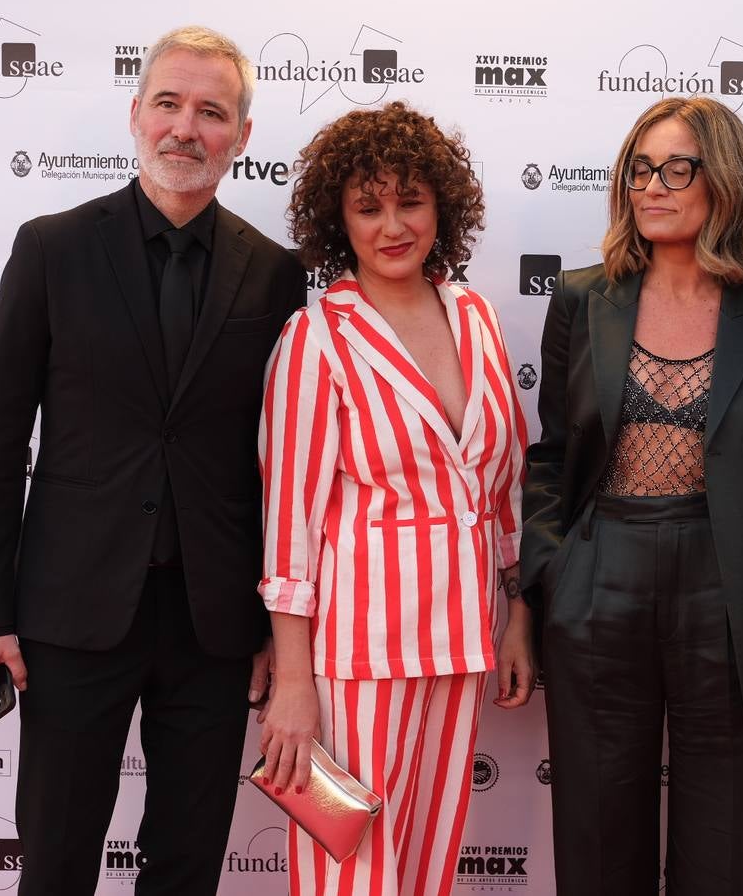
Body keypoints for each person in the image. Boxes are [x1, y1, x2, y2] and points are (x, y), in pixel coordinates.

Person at [0, 26, 307, 896]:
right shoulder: (53, 248)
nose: (186, 128)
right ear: (137, 113)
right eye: (169, 104)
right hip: (70, 613)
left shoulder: (275, 275)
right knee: (57, 861)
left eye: (211, 112)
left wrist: (271, 628)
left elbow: (279, 463)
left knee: (188, 866)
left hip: (214, 625)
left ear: (242, 136)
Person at [520, 96, 743, 895]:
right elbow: (552, 455)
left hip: (731, 587)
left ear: (724, 180)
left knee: (733, 847)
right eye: (640, 169)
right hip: (598, 576)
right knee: (598, 840)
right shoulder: (582, 298)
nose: (652, 185)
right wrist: (551, 576)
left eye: (677, 168)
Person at [257, 101, 534, 896]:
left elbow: (503, 488)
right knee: (350, 875)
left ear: (441, 205)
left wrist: (518, 614)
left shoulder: (476, 318)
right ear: (338, 219)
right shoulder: (317, 338)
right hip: (359, 657)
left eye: (410, 201)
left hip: (463, 642)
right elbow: (289, 528)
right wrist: (294, 683)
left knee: (428, 870)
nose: (392, 226)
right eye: (367, 207)